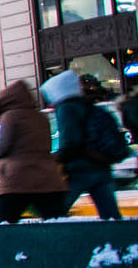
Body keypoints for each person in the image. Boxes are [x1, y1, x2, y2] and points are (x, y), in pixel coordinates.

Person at [44, 70, 126, 221]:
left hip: (79, 168)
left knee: (54, 214)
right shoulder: (88, 106)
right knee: (110, 216)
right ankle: (119, 242)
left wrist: (56, 159)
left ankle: (48, 243)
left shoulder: (67, 108)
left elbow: (70, 141)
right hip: (101, 166)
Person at [0, 80, 68, 222]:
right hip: (47, 177)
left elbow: (3, 144)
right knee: (55, 222)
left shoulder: (10, 116)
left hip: (17, 179)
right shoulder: (41, 117)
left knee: (7, 224)